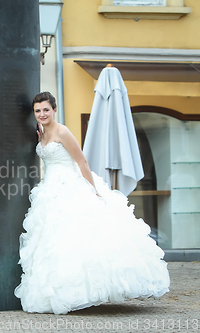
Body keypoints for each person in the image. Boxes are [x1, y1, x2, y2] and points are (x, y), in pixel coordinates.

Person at [14, 92, 170, 315]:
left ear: (54, 110)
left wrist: (93, 191)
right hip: (49, 190)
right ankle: (57, 291)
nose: (42, 114)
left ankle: (90, 289)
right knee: (51, 241)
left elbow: (82, 161)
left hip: (70, 186)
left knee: (78, 235)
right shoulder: (43, 133)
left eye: (46, 109)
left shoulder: (62, 131)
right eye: (38, 111)